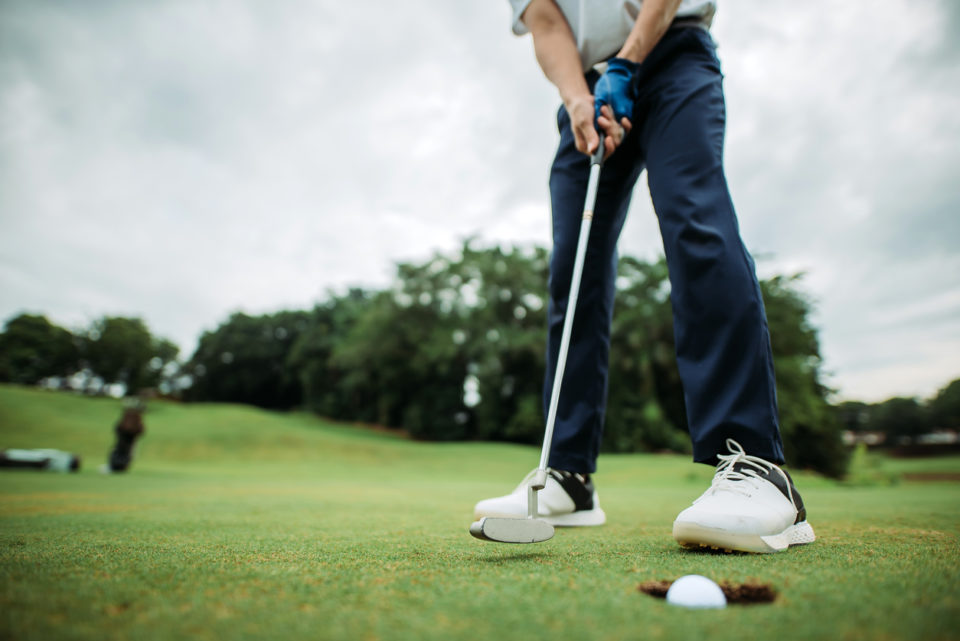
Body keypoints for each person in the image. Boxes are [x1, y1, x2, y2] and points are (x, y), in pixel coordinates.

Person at [473, 0, 815, 553]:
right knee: (573, 271)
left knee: (695, 224)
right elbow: (545, 19)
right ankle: (567, 476)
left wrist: (628, 64)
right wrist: (578, 98)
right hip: (587, 91)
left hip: (672, 53)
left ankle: (755, 465)